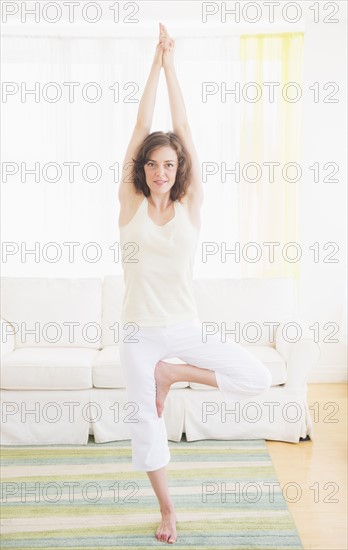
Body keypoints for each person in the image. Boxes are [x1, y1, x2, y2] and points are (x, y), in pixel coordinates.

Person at [118, 22, 272, 545]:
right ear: (142, 168)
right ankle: (168, 509)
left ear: (179, 166)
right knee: (144, 422)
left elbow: (181, 124)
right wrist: (152, 64)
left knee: (255, 376)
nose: (161, 170)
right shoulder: (130, 206)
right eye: (153, 164)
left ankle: (174, 373)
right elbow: (144, 124)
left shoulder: (191, 207)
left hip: (183, 329)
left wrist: (173, 64)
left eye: (169, 163)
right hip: (139, 333)